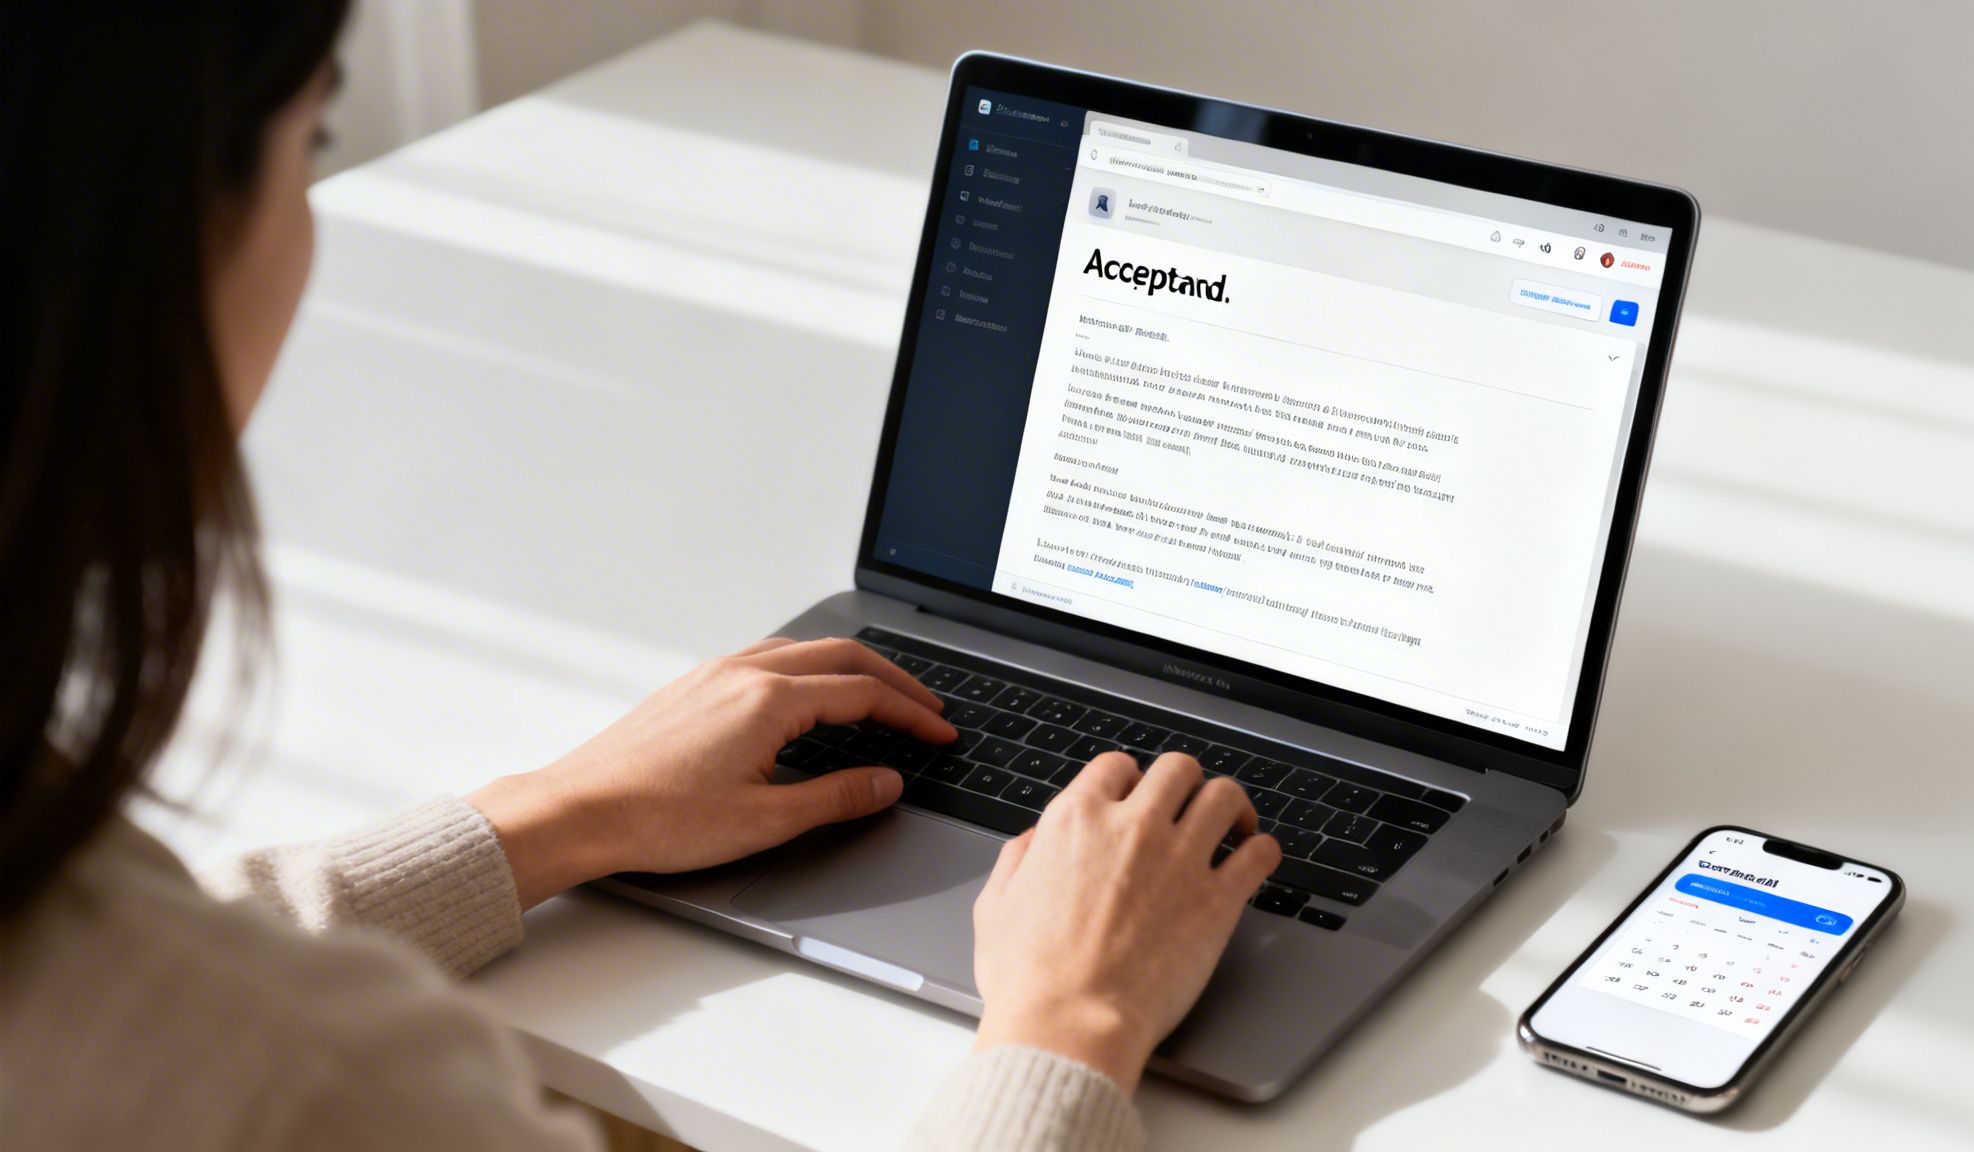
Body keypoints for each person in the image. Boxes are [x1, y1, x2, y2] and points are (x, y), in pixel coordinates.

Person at [0, 5, 1283, 1149]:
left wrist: (556, 815)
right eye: (314, 141)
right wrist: (1070, 1020)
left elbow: (150, 963)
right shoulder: (316, 1089)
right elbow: (199, 1021)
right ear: (141, 238)